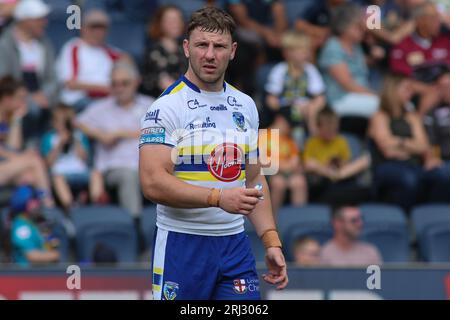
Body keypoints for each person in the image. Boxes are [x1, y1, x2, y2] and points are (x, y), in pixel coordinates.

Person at [139, 7, 288, 300]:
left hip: (235, 245)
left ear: (232, 51)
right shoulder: (164, 107)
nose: (210, 54)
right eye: (201, 45)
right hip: (183, 245)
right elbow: (152, 182)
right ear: (186, 48)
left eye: (219, 46)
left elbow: (256, 178)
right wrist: (218, 198)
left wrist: (271, 241)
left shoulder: (247, 105)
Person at [76, 60, 153, 224]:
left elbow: (165, 130)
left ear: (136, 82)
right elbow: (76, 122)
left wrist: (120, 133)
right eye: (114, 84)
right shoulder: (101, 108)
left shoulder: (150, 104)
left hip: (147, 165)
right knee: (129, 175)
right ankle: (135, 225)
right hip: (114, 168)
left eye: (124, 83)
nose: (119, 88)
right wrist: (100, 135)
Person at [369, 74, 450, 210]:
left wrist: (399, 142)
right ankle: (405, 216)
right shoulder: (380, 116)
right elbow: (387, 149)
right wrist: (411, 144)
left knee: (443, 175)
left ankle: (432, 213)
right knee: (409, 179)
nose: (410, 93)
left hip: (414, 165)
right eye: (406, 89)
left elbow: (423, 145)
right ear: (393, 91)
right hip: (387, 166)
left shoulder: (412, 117)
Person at [0, 0, 59, 142]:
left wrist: (45, 94)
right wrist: (29, 97)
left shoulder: (45, 44)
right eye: (38, 19)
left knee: (58, 110)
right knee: (32, 109)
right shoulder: (5, 43)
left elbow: (52, 78)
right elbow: (5, 79)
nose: (44, 22)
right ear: (25, 21)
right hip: (15, 95)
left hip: (43, 96)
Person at [318, 3, 379, 118]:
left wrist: (373, 58)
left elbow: (359, 66)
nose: (363, 30)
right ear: (344, 27)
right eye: (357, 27)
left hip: (360, 96)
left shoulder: (355, 46)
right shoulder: (333, 47)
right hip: (340, 99)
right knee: (381, 106)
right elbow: (347, 84)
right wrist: (376, 95)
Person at [0, 76, 54, 207]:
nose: (24, 103)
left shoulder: (9, 119)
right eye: (20, 98)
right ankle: (49, 206)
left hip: (6, 169)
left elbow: (13, 147)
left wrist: (17, 119)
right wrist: (22, 157)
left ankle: (32, 216)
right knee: (34, 160)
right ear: (7, 99)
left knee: (30, 176)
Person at [57, 9, 125, 111]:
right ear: (83, 28)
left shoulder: (112, 52)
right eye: (93, 27)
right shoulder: (73, 47)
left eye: (102, 28)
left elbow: (128, 72)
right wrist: (105, 89)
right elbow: (70, 83)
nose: (97, 32)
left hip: (108, 100)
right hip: (80, 100)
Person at [40, 104, 102, 212]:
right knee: (57, 178)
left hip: (79, 170)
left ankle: (96, 203)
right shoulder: (48, 138)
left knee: (96, 173)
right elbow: (48, 163)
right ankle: (70, 206)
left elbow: (84, 157)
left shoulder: (79, 135)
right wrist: (59, 144)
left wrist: (75, 139)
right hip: (60, 172)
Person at [264, 31, 325, 139]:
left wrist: (312, 108)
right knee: (278, 128)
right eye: (301, 50)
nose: (306, 53)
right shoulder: (280, 70)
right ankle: (266, 154)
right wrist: (285, 107)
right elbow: (271, 99)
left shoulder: (310, 70)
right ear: (287, 53)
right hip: (285, 109)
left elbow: (320, 97)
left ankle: (312, 138)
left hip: (307, 111)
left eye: (307, 49)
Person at [303, 107, 370, 205]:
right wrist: (325, 166)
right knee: (311, 164)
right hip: (321, 177)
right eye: (328, 129)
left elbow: (347, 162)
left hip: (341, 174)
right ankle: (335, 175)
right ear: (319, 128)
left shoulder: (341, 141)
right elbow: (307, 164)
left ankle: (337, 176)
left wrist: (339, 164)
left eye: (334, 129)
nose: (331, 132)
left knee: (365, 160)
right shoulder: (312, 142)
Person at [259, 115, 307, 214]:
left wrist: (284, 166)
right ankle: (273, 223)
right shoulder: (263, 135)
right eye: (289, 124)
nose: (291, 128)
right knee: (278, 183)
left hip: (287, 173)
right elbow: (263, 161)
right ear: (279, 119)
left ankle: (298, 221)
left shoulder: (289, 140)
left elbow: (296, 161)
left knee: (299, 182)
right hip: (268, 174)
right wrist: (283, 166)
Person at [141, 5, 188, 97]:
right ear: (160, 23)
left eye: (178, 19)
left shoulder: (187, 47)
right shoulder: (153, 50)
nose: (176, 23)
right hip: (161, 100)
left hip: (187, 97)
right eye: (170, 20)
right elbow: (161, 82)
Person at [9, 185, 60, 266]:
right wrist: (57, 255)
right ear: (25, 203)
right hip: (27, 276)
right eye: (35, 199)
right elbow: (32, 256)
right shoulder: (21, 227)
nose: (39, 203)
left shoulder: (32, 223)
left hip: (42, 273)